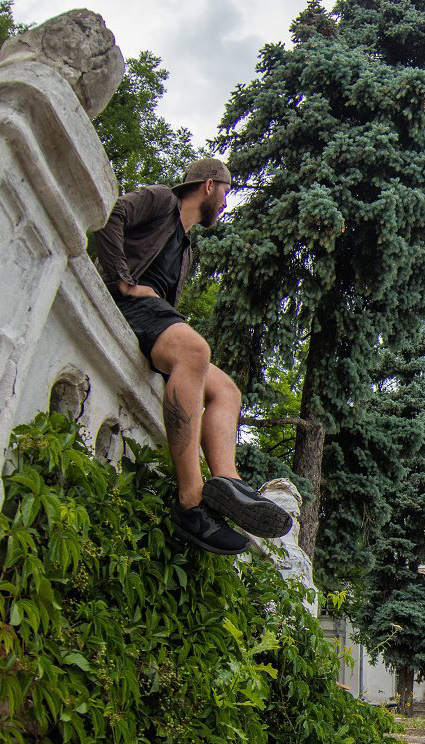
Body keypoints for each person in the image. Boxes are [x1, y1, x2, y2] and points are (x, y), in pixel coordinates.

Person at [96, 157, 292, 555]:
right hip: (125, 304)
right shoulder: (160, 199)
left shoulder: (185, 250)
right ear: (208, 185)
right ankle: (191, 503)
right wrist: (123, 280)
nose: (225, 203)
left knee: (227, 392)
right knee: (196, 349)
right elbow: (112, 215)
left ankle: (229, 482)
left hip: (154, 319)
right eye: (226, 192)